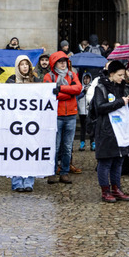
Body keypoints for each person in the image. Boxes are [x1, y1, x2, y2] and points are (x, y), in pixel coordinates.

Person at [91, 60, 129, 202]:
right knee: (105, 162)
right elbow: (100, 107)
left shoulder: (123, 87)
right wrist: (120, 102)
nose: (123, 77)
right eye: (120, 75)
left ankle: (116, 188)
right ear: (111, 74)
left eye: (123, 75)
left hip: (120, 130)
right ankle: (105, 190)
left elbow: (126, 108)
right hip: (106, 130)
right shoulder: (101, 87)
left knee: (118, 161)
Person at [42, 51, 82, 184]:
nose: (63, 63)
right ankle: (52, 172)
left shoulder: (72, 74)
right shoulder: (49, 76)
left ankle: (64, 172)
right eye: (60, 61)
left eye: (65, 61)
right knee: (55, 146)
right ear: (55, 63)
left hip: (70, 115)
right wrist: (69, 93)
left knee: (67, 147)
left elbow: (78, 89)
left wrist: (61, 88)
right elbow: (51, 94)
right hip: (56, 116)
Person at [6, 55, 39, 192]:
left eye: (27, 64)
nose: (25, 67)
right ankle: (17, 182)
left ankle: (29, 182)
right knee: (17, 151)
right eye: (22, 64)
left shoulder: (36, 80)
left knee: (31, 151)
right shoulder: (11, 81)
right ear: (17, 66)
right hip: (16, 122)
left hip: (32, 122)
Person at [77, 71, 92, 152]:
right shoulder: (80, 87)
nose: (86, 80)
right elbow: (77, 97)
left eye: (88, 78)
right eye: (85, 78)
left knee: (91, 127)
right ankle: (82, 143)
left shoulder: (93, 87)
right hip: (82, 110)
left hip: (90, 110)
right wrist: (84, 92)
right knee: (83, 127)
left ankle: (92, 142)